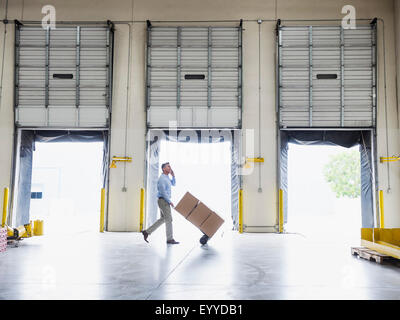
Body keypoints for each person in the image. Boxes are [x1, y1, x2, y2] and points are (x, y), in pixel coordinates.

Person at [141, 162, 179, 244]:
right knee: (169, 219)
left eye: (170, 166)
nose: (170, 168)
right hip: (163, 201)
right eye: (168, 167)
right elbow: (163, 191)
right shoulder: (162, 179)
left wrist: (173, 176)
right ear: (163, 169)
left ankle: (147, 232)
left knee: (163, 219)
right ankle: (170, 239)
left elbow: (174, 184)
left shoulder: (167, 178)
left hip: (164, 200)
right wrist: (169, 201)